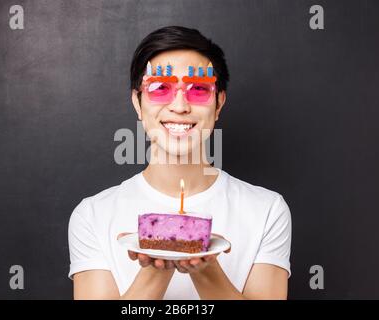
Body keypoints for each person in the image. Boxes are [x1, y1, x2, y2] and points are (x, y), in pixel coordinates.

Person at [68, 26, 292, 300]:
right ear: (137, 103)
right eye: (160, 88)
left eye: (199, 89)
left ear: (219, 104)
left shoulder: (267, 210)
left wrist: (204, 269)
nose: (180, 106)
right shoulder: (92, 216)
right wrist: (158, 264)